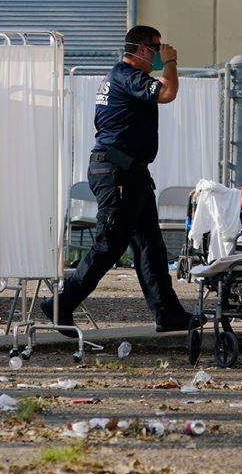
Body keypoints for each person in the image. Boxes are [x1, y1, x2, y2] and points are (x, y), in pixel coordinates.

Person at [43, 25, 190, 335]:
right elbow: (168, 93)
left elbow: (103, 125)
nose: (159, 54)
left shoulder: (120, 78)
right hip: (117, 173)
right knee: (110, 244)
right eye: (155, 48)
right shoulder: (128, 75)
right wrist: (172, 62)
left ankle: (168, 313)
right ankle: (61, 304)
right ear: (139, 49)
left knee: (151, 245)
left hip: (129, 172)